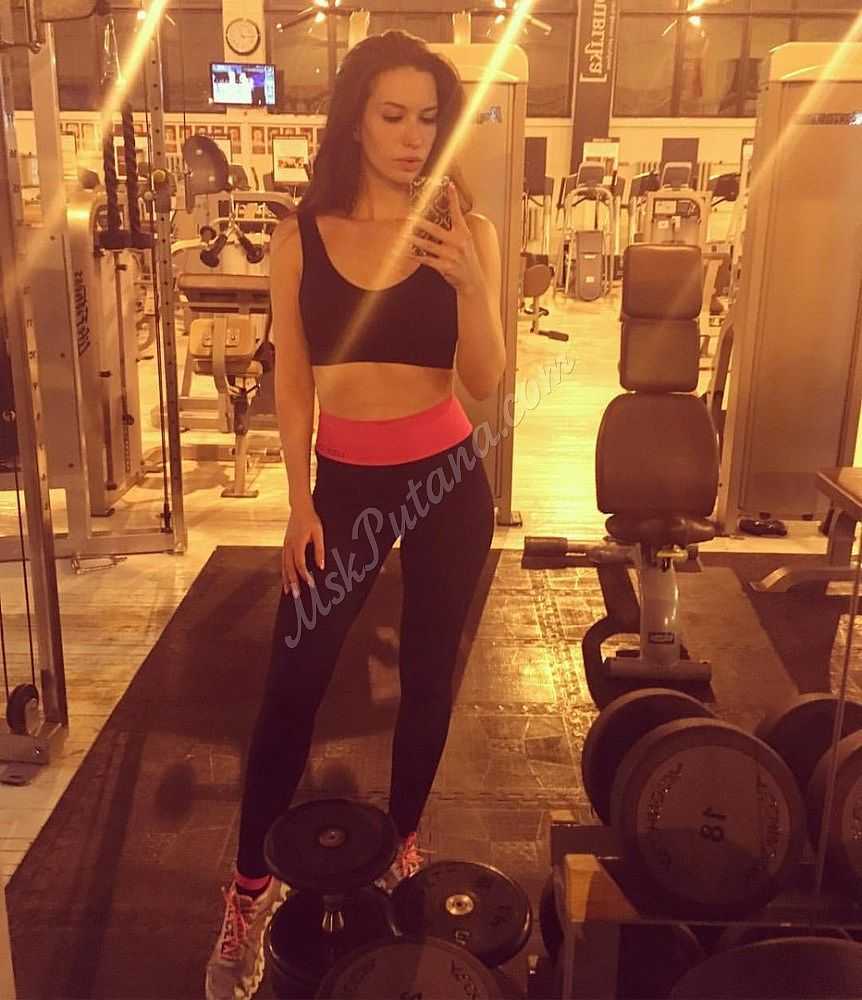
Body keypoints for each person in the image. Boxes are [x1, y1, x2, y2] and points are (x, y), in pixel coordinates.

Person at [205, 29, 506, 1000]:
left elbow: (486, 381)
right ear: (355, 122)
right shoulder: (304, 234)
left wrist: (471, 284)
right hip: (343, 484)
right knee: (291, 688)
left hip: (447, 479)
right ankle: (247, 892)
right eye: (393, 115)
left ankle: (404, 841)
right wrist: (298, 501)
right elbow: (294, 377)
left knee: (427, 676)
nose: (413, 137)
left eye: (428, 118)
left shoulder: (464, 230)